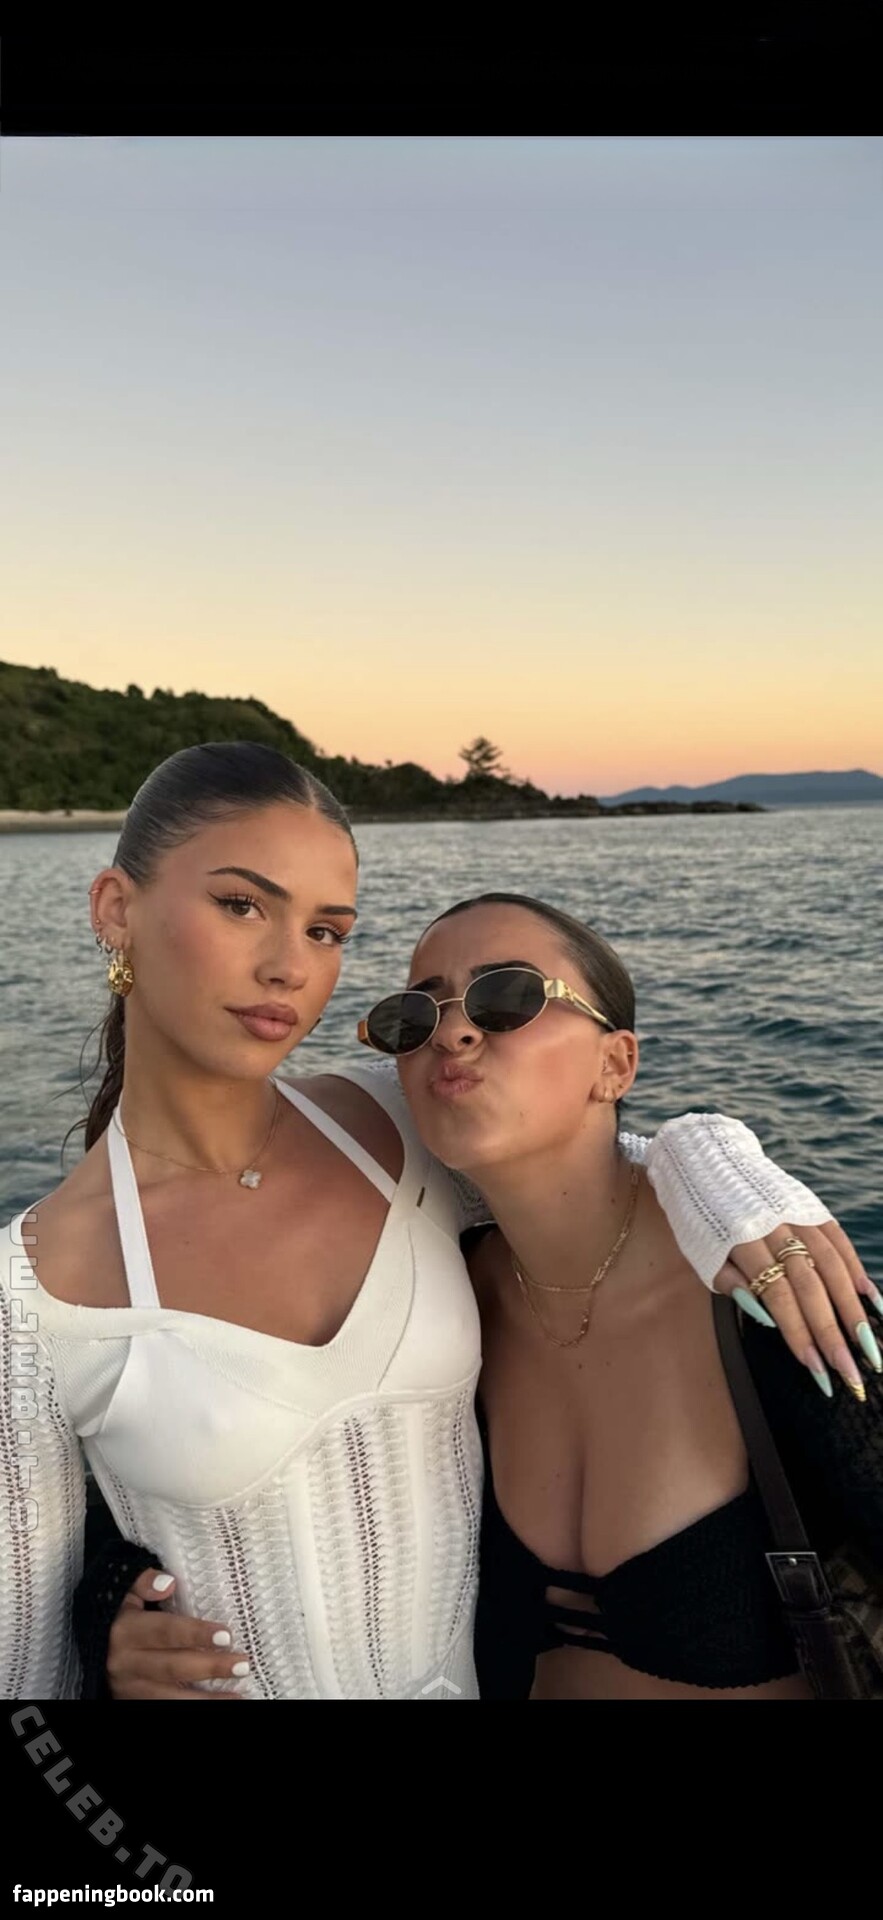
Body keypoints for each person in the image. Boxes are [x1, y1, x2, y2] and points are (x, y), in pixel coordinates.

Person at [1, 746, 875, 1702]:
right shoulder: (31, 1294)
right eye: (241, 904)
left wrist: (721, 1165)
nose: (289, 966)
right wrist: (107, 1623)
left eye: (326, 931)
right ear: (114, 909)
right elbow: (35, 1644)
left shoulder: (390, 1132)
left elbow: (572, 1152)